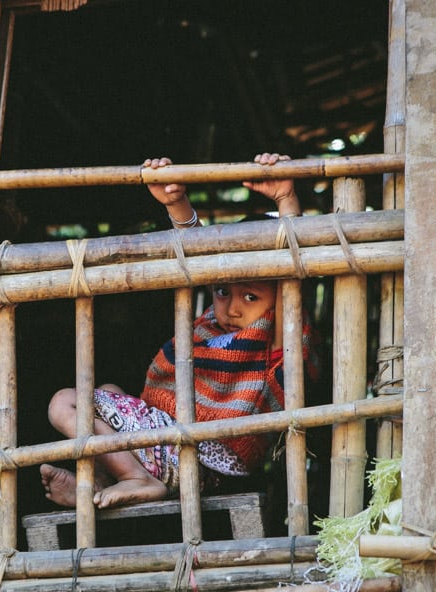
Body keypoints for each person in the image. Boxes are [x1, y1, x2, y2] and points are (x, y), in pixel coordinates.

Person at [40, 153, 320, 509]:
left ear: (281, 299)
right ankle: (99, 483)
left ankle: (133, 478)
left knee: (66, 402)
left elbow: (292, 266)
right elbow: (201, 258)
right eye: (223, 292)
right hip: (185, 455)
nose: (232, 307)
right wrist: (177, 205)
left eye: (250, 296)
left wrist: (285, 202)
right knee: (108, 391)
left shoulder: (274, 340)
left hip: (196, 454)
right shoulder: (209, 327)